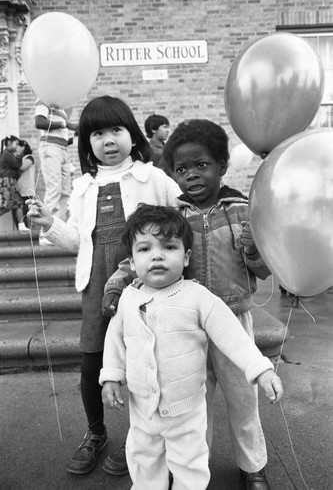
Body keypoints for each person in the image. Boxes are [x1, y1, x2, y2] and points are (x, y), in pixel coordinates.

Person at [103, 119, 277, 490]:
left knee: (243, 400)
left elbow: (263, 269)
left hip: (232, 319)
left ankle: (253, 465)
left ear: (222, 166)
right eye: (182, 169)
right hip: (183, 327)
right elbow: (136, 258)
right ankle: (195, 468)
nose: (192, 175)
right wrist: (118, 285)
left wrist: (253, 247)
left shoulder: (241, 211)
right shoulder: (175, 216)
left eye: (202, 165)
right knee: (195, 402)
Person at [27, 95, 181, 478]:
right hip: (96, 286)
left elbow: (182, 221)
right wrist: (49, 224)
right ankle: (96, 433)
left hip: (144, 286)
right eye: (97, 133)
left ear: (132, 134)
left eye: (117, 129)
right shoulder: (82, 187)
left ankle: (142, 438)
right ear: (87, 143)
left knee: (146, 364)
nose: (108, 139)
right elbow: (79, 240)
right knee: (91, 364)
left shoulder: (153, 177)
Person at [35, 99, 78, 244]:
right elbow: (39, 122)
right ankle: (45, 232)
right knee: (54, 188)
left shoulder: (62, 111)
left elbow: (63, 139)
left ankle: (58, 232)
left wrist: (77, 136)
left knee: (65, 191)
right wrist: (67, 124)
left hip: (62, 149)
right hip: (50, 147)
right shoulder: (44, 100)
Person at [0, 135, 28, 231]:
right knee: (6, 206)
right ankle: (21, 225)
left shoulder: (8, 154)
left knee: (18, 204)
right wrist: (20, 154)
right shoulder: (7, 154)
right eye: (15, 144)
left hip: (12, 181)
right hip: (8, 181)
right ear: (9, 144)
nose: (17, 147)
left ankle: (21, 226)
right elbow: (17, 165)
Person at [17, 140, 35, 229]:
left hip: (27, 189)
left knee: (26, 212)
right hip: (20, 189)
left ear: (23, 147)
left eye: (18, 146)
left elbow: (22, 167)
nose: (16, 148)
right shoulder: (19, 159)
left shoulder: (29, 157)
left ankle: (28, 232)